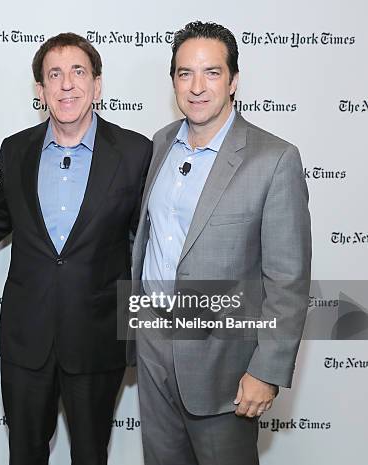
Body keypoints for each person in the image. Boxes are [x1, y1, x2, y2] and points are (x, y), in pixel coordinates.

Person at [130, 21, 311, 465]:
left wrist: (266, 371)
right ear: (172, 79)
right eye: (184, 73)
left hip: (225, 363)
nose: (196, 87)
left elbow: (287, 280)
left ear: (233, 80)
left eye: (211, 72)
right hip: (153, 343)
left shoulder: (274, 159)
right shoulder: (159, 144)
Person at [0, 32, 152, 465]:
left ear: (97, 85)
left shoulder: (136, 153)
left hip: (98, 338)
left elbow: (146, 245)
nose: (66, 85)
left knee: (90, 455)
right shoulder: (15, 150)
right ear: (40, 90)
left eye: (78, 72)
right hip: (26, 341)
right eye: (54, 75)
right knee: (23, 454)